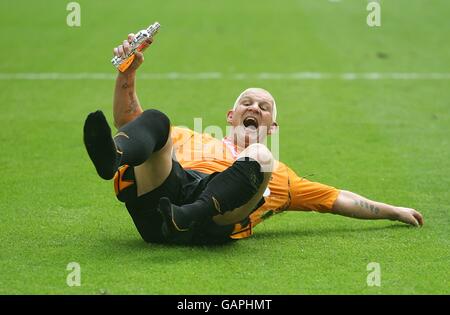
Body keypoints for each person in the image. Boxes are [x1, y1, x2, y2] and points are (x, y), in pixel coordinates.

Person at [83, 34, 424, 245]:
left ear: (272, 126)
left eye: (264, 107)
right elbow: (129, 120)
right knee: (155, 119)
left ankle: (189, 214)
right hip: (160, 205)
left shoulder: (281, 175)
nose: (254, 108)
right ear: (230, 117)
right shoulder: (190, 137)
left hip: (213, 223)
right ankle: (113, 156)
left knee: (261, 157)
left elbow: (337, 199)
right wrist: (127, 74)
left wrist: (393, 212)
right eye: (247, 102)